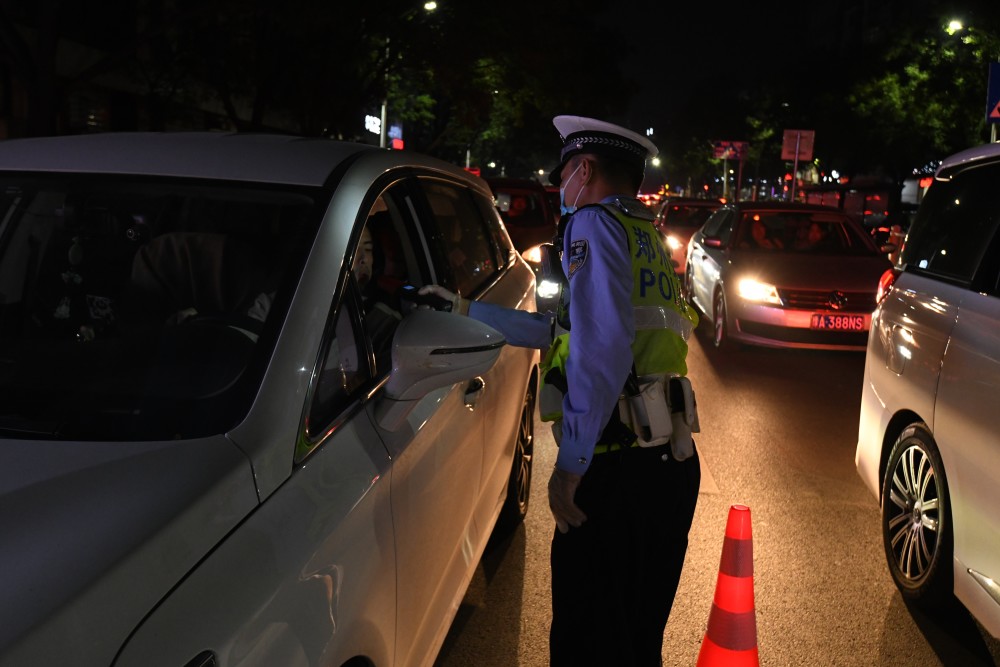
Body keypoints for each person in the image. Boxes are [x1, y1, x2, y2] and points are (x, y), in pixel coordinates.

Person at [421, 115, 701, 666]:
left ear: (586, 169)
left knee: (584, 641)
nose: (559, 187)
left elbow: (602, 348)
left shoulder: (592, 225)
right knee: (635, 641)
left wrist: (570, 465)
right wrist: (464, 312)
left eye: (564, 173)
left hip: (614, 469)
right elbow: (570, 331)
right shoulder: (645, 235)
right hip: (670, 467)